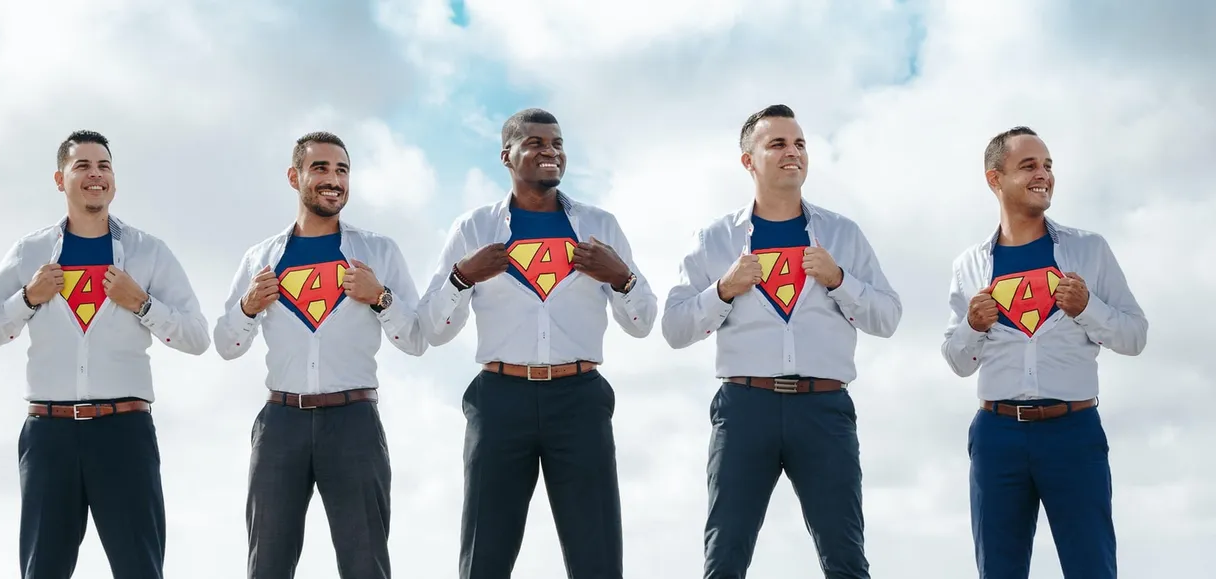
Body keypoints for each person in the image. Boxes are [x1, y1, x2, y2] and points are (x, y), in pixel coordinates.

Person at [661, 104, 901, 579]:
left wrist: (838, 279)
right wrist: (723, 289)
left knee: (846, 558)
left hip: (825, 408)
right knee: (725, 555)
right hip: (744, 407)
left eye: (799, 144)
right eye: (778, 144)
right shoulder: (714, 239)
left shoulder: (842, 235)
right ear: (748, 161)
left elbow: (888, 317)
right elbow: (674, 328)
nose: (793, 152)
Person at [417, 108, 656, 579]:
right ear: (507, 155)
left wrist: (621, 277)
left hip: (580, 398)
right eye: (537, 143)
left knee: (598, 556)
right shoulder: (474, 229)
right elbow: (434, 328)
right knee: (485, 554)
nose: (551, 152)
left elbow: (643, 322)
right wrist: (462, 277)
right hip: (499, 400)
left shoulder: (599, 226)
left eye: (558, 144)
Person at [0, 130, 210, 579]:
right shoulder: (30, 252)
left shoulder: (148, 252)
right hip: (48, 437)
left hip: (124, 433)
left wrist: (143, 303)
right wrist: (28, 297)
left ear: (113, 179)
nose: (95, 175)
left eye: (104, 166)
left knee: (140, 570)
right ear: (60, 180)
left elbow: (197, 336)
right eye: (83, 166)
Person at [213, 131, 426, 579]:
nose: (334, 180)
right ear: (295, 177)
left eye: (342, 170)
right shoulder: (261, 258)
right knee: (267, 565)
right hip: (280, 424)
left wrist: (380, 297)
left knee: (364, 564)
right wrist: (249, 306)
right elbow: (227, 345)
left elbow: (415, 340)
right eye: (321, 168)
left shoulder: (378, 252)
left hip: (354, 423)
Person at [941, 126, 1147, 579]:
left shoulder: (1089, 250)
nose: (1044, 175)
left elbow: (1134, 336)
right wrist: (973, 327)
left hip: (1073, 433)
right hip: (996, 436)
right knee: (998, 570)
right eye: (1029, 166)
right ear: (995, 179)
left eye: (1048, 165)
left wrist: (1088, 308)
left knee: (1092, 568)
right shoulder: (969, 265)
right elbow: (957, 361)